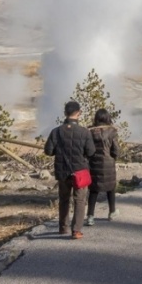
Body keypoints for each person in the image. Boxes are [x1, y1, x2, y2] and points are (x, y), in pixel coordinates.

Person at [44, 100, 95, 239]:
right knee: (80, 200)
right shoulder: (84, 132)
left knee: (64, 199)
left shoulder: (56, 132)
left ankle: (63, 227)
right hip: (80, 171)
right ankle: (76, 230)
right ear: (79, 113)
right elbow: (91, 152)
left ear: (65, 113)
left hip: (62, 171)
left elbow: (48, 151)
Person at [85, 108, 120, 226]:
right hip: (108, 163)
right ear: (107, 118)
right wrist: (114, 157)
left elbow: (87, 149)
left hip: (94, 163)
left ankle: (90, 216)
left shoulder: (89, 131)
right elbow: (115, 150)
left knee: (93, 190)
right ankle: (112, 212)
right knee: (111, 188)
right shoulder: (112, 131)